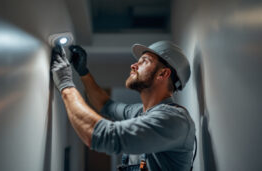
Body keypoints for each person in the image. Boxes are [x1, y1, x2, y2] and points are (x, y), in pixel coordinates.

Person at [51, 41, 196, 171]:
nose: (133, 66)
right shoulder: (141, 112)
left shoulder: (174, 120)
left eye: (144, 61)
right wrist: (83, 71)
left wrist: (65, 84)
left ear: (163, 73)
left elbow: (102, 136)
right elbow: (105, 105)